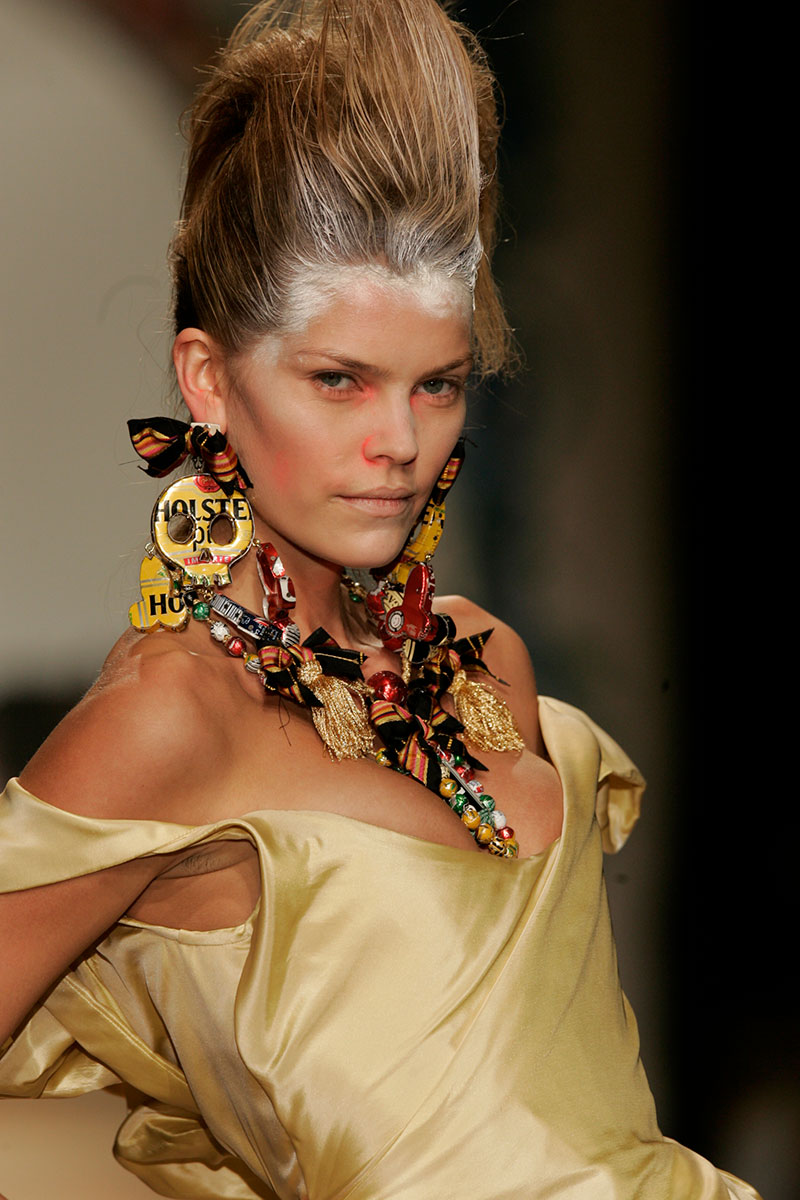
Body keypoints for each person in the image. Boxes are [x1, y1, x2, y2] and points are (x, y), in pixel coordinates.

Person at [0, 2, 759, 1198]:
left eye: (437, 385)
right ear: (208, 380)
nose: (396, 441)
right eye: (338, 381)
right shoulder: (170, 719)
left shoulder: (481, 663)